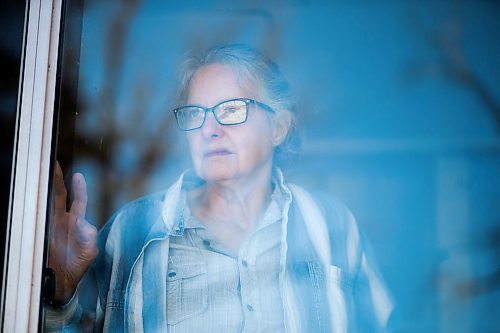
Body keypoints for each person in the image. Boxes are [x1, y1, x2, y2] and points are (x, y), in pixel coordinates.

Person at [45, 44, 394, 332]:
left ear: (279, 128)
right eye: (197, 113)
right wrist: (59, 294)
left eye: (231, 109)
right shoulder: (130, 231)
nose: (209, 129)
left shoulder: (330, 226)